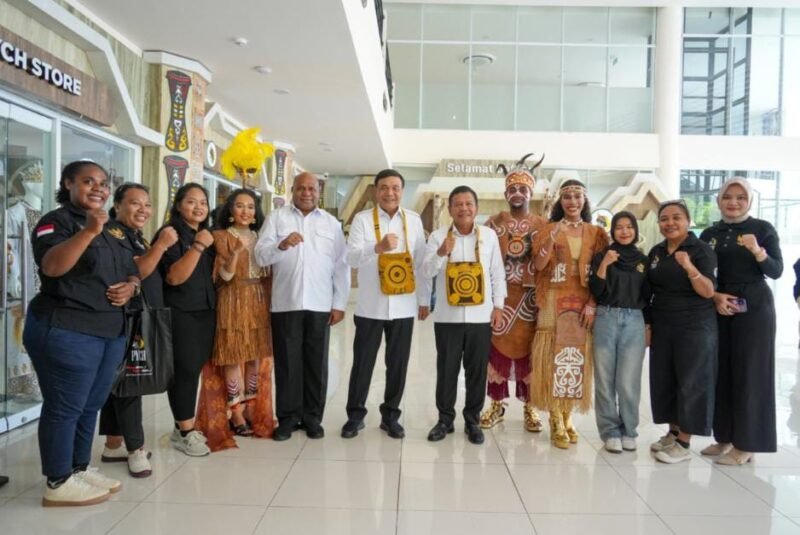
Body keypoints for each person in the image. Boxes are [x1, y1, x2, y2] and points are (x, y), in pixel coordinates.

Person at [24, 161, 140, 506]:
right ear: (68, 184)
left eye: (103, 183)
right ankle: (58, 482)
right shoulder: (55, 222)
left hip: (109, 329)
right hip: (67, 329)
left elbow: (133, 270)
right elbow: (52, 266)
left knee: (90, 406)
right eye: (88, 181)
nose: (98, 188)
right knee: (65, 406)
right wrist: (87, 231)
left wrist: (131, 288)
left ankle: (78, 468)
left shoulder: (114, 230)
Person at [255, 172, 350, 441]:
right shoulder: (277, 218)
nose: (306, 193)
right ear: (292, 190)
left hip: (320, 303)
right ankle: (287, 418)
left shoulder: (331, 223)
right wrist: (281, 245)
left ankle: (312, 418)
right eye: (301, 188)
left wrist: (339, 303)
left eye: (311, 188)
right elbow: (260, 256)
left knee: (315, 363)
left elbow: (341, 266)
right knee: (287, 363)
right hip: (286, 303)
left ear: (318, 192)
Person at [341, 169, 430, 439]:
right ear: (376, 191)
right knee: (363, 363)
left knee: (398, 364)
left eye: (395, 188)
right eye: (384, 188)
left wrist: (424, 300)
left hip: (403, 306)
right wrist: (375, 248)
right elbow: (351, 258)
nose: (390, 193)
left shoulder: (413, 221)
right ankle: (355, 416)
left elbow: (422, 264)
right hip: (371, 306)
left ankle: (391, 416)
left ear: (402, 191)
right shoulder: (363, 220)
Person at [699, 178, 783, 465]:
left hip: (754, 309)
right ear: (719, 199)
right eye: (727, 197)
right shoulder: (711, 232)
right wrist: (715, 297)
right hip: (720, 305)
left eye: (740, 197)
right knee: (721, 371)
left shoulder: (761, 229)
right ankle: (724, 436)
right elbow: (702, 273)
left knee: (751, 373)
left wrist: (758, 251)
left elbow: (776, 270)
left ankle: (747, 443)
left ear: (749, 201)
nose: (733, 202)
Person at [99, 183, 178, 477]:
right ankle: (135, 450)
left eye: (147, 204)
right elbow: (138, 272)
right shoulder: (113, 233)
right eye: (135, 203)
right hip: (128, 318)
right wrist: (161, 245)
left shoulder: (132, 235)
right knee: (132, 382)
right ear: (117, 205)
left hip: (136, 317)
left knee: (119, 382)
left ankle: (113, 443)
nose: (143, 210)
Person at [423, 185, 506, 445]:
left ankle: (472, 421)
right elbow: (425, 272)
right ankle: (445, 420)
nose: (463, 208)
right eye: (457, 204)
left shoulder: (489, 236)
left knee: (476, 371)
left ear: (476, 208)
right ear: (450, 209)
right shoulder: (438, 236)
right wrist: (440, 253)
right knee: (446, 370)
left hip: (480, 318)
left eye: (468, 203)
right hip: (447, 318)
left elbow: (496, 272)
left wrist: (499, 306)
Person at [530, 179, 608, 449]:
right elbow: (538, 265)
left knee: (575, 357)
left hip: (583, 301)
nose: (572, 202)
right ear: (559, 202)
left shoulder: (597, 233)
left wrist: (593, 302)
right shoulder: (548, 229)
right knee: (552, 357)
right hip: (552, 298)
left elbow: (602, 273)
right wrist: (552, 237)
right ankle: (554, 416)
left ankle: (568, 414)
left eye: (577, 196)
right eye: (567, 197)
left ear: (585, 201)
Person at [195, 188, 275, 451]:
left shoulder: (261, 236)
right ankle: (235, 412)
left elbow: (267, 273)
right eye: (240, 206)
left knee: (254, 357)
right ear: (230, 210)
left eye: (250, 207)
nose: (246, 211)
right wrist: (237, 253)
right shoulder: (220, 237)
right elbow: (224, 278)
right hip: (231, 298)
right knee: (232, 356)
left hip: (257, 300)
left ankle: (252, 407)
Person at [480, 155, 547, 433]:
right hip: (501, 298)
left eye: (522, 189)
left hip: (531, 300)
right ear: (505, 193)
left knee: (530, 352)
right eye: (512, 189)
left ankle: (531, 406)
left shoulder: (543, 225)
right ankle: (496, 403)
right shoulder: (493, 223)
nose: (517, 194)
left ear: (531, 193)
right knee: (495, 351)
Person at [647, 200, 717, 464]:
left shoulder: (700, 250)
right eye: (664, 219)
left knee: (691, 380)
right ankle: (672, 432)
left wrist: (689, 267)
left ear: (688, 221)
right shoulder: (656, 252)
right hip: (664, 323)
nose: (670, 223)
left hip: (694, 325)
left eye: (676, 218)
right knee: (666, 379)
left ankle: (684, 442)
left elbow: (709, 291)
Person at [156, 183, 216, 457]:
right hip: (181, 312)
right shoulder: (171, 234)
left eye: (203, 202)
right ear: (178, 205)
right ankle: (185, 432)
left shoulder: (203, 234)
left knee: (192, 370)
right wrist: (199, 246)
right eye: (191, 201)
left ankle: (183, 424)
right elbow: (175, 277)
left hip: (204, 311)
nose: (198, 207)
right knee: (185, 372)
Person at [589, 211, 649, 453]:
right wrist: (604, 264)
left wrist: (648, 326)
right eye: (619, 227)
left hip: (635, 320)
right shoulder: (602, 256)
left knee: (628, 380)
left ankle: (629, 430)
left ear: (635, 230)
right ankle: (610, 431)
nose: (624, 231)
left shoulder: (644, 260)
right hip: (606, 316)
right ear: (612, 230)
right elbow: (596, 289)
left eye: (629, 227)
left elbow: (648, 295)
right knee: (604, 379)